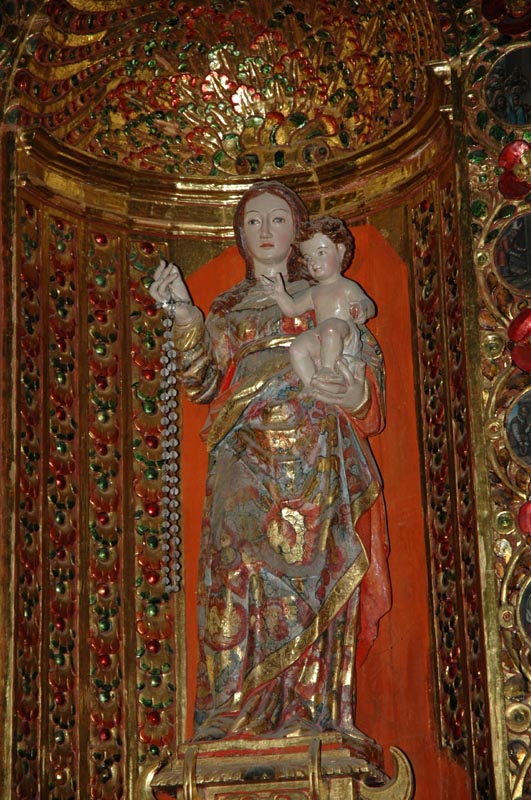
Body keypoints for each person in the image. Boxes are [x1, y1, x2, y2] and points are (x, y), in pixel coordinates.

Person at [149, 180, 390, 746]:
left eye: (276, 220)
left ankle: (314, 717)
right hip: (243, 459)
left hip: (315, 456)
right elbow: (203, 381)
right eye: (252, 221)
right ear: (238, 234)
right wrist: (186, 316)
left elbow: (368, 381)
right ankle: (232, 718)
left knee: (319, 575)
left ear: (298, 231)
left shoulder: (329, 292)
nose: (264, 232)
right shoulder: (231, 308)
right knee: (238, 573)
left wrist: (352, 395)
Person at [262, 216, 375, 389]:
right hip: (322, 336)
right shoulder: (314, 291)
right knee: (297, 347)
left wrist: (362, 308)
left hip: (344, 335)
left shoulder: (347, 286)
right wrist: (280, 295)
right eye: (308, 258)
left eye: (321, 253)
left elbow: (370, 306)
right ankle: (312, 385)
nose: (314, 262)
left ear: (340, 250)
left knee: (330, 326)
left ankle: (328, 370)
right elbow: (293, 309)